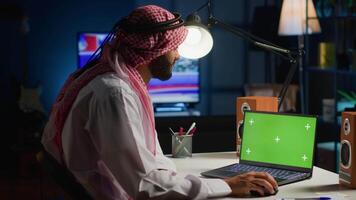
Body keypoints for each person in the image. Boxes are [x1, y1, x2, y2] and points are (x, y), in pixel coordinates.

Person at [41, 5, 278, 200]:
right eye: (174, 47)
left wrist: (203, 181)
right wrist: (227, 186)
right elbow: (146, 186)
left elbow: (150, 163)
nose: (179, 55)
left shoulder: (121, 82)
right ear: (154, 49)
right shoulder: (115, 94)